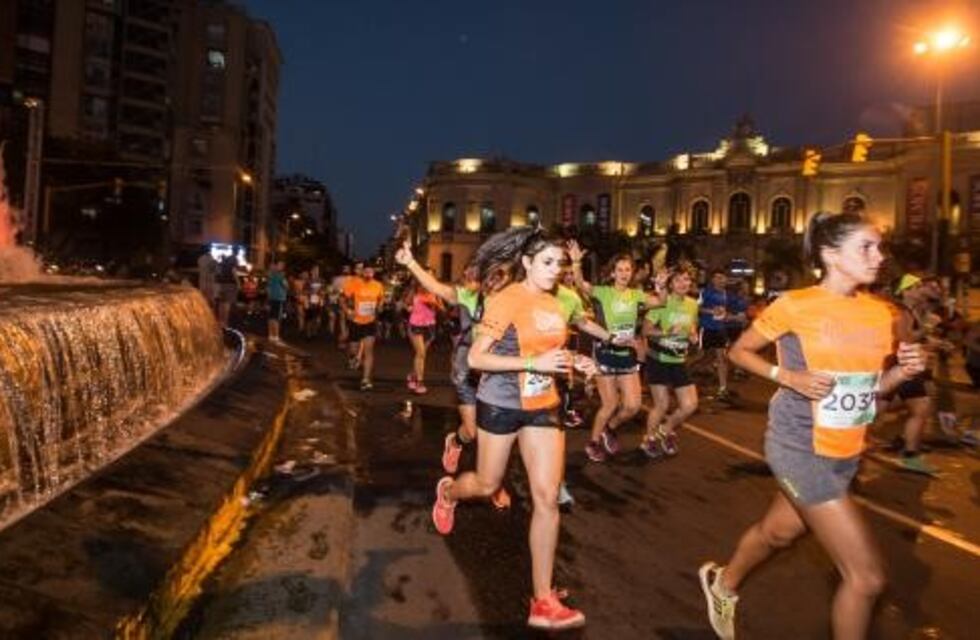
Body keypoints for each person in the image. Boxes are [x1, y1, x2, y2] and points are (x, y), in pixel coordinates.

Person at [699, 212, 927, 640]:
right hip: (800, 446)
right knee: (866, 578)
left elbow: (872, 390)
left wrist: (903, 372)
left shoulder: (880, 313)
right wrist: (788, 377)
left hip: (846, 451)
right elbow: (740, 351)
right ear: (830, 254)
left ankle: (723, 584)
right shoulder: (796, 304)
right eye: (866, 247)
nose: (879, 256)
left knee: (778, 533)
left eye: (879, 247)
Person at [431, 226, 597, 631]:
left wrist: (574, 361)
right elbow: (477, 359)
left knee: (547, 498)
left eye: (560, 262)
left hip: (543, 406)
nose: (556, 269)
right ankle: (449, 491)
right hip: (502, 402)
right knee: (487, 484)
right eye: (547, 262)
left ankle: (543, 599)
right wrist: (533, 364)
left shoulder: (558, 301)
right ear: (526, 262)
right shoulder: (507, 298)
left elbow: (548, 349)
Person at [394, 242, 512, 509]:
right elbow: (438, 288)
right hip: (467, 373)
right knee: (472, 431)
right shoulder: (470, 296)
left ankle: (494, 484)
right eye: (492, 273)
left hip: (496, 376)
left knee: (496, 433)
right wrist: (410, 262)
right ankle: (456, 441)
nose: (497, 280)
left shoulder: (513, 301)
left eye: (502, 273)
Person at [567, 241, 662, 463]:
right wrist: (576, 263)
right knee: (610, 404)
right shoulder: (603, 292)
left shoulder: (636, 294)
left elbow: (660, 302)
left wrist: (661, 286)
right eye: (619, 269)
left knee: (633, 406)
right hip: (606, 353)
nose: (624, 273)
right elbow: (581, 284)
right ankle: (593, 442)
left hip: (627, 355)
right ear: (612, 273)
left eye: (628, 269)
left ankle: (609, 428)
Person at [640, 267, 700, 459]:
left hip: (679, 359)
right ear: (671, 284)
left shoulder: (692, 304)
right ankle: (648, 439)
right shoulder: (662, 302)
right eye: (678, 280)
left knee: (690, 405)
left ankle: (665, 430)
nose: (683, 284)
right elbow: (645, 330)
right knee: (662, 405)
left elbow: (691, 324)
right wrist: (667, 332)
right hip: (658, 359)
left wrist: (692, 334)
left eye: (686, 279)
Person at [880, 273, 937, 473]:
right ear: (905, 292)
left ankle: (907, 447)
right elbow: (904, 339)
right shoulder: (901, 311)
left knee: (876, 411)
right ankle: (910, 454)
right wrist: (927, 329)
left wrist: (929, 342)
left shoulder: (910, 310)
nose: (921, 289)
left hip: (901, 365)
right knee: (921, 407)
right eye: (915, 287)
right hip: (899, 366)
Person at [342, 263, 384, 390]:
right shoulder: (354, 283)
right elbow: (342, 299)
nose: (368, 274)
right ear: (362, 272)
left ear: (374, 273)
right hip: (356, 321)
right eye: (366, 271)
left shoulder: (378, 285)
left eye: (371, 272)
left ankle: (365, 380)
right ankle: (353, 357)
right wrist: (348, 311)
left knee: (368, 351)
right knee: (353, 350)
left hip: (370, 322)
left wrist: (380, 306)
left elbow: (381, 298)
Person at [698, 269, 733, 402]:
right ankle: (684, 376)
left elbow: (725, 311)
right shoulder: (706, 292)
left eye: (722, 278)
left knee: (722, 358)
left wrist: (727, 316)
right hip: (706, 328)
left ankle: (723, 388)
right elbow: (697, 308)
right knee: (702, 356)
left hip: (720, 329)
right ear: (712, 280)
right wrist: (711, 311)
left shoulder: (726, 294)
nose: (720, 280)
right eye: (717, 278)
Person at [404, 271, 442, 394]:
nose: (428, 276)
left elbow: (442, 308)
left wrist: (434, 304)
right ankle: (419, 383)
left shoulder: (436, 290)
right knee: (421, 353)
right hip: (415, 325)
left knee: (421, 354)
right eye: (426, 274)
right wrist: (409, 308)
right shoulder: (414, 290)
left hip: (430, 326)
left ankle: (412, 375)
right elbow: (406, 304)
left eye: (431, 275)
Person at [266, 259, 288, 343]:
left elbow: (268, 288)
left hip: (274, 298)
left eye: (281, 265)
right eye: (279, 265)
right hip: (278, 298)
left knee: (272, 317)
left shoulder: (272, 275)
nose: (279, 266)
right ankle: (275, 336)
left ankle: (272, 335)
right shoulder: (279, 275)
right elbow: (286, 286)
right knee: (274, 317)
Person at [214, 253, 239, 326]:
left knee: (221, 304)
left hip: (221, 286)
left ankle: (220, 321)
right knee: (227, 305)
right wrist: (238, 284)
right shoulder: (232, 266)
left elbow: (217, 274)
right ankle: (225, 322)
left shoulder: (220, 266)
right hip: (230, 286)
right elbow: (235, 276)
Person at [304, 265, 325, 340]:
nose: (316, 272)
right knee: (309, 319)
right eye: (315, 270)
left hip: (318, 302)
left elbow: (324, 290)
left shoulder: (321, 281)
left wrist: (322, 294)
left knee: (317, 319)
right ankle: (308, 334)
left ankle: (314, 332)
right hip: (310, 302)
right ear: (311, 271)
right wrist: (311, 292)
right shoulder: (308, 281)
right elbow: (304, 291)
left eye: (318, 271)